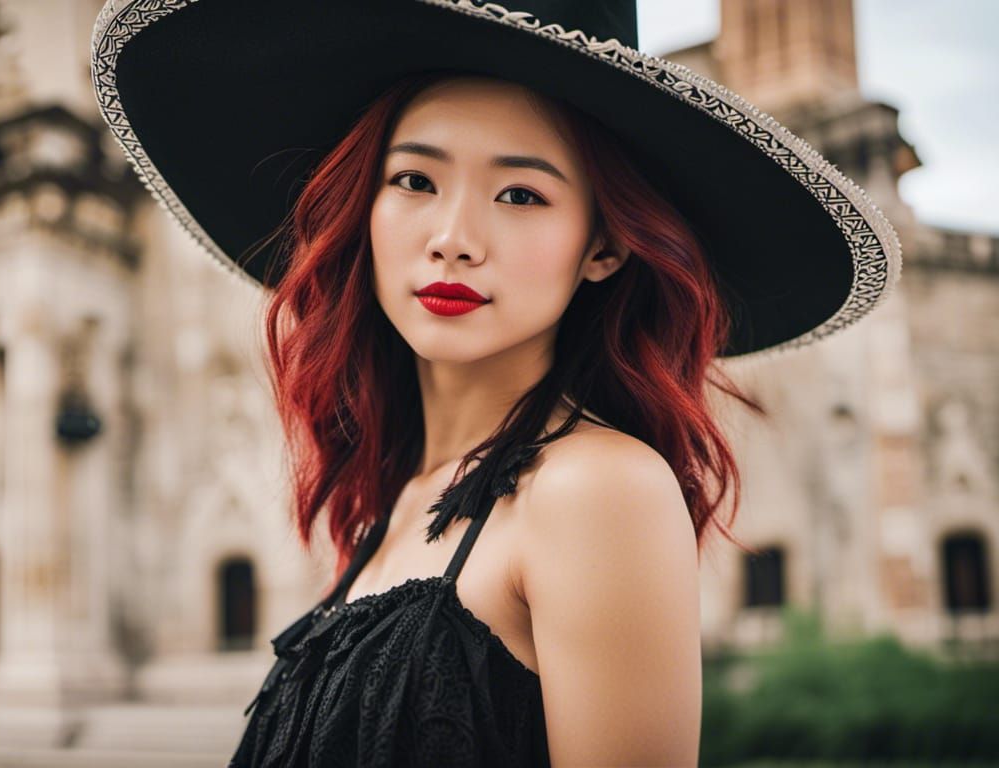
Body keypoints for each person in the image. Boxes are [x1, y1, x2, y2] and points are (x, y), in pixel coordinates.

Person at [90, 1, 901, 765]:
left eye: (520, 193)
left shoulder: (595, 489)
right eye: (414, 180)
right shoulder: (397, 496)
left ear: (604, 246)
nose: (453, 238)